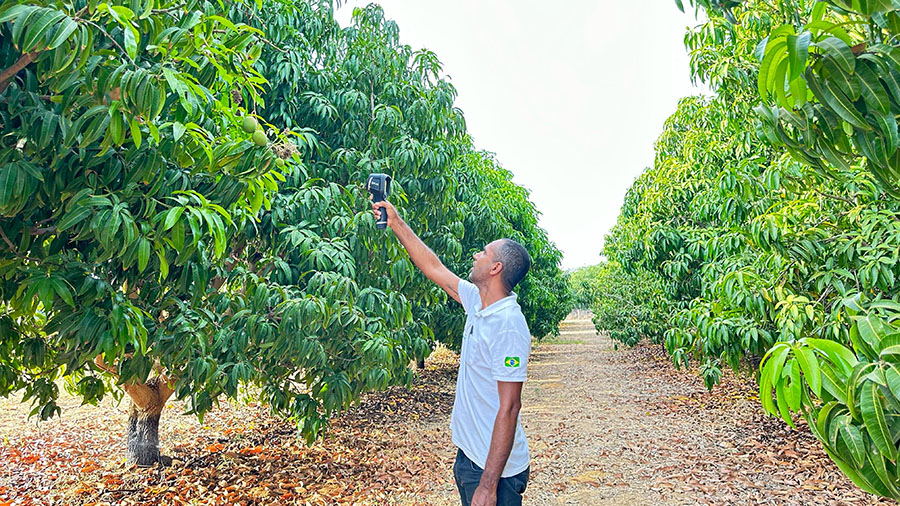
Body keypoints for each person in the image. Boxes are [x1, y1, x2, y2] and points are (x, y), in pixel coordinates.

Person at [372, 200, 532, 506]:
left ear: (495, 268)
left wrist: (488, 485)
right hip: (471, 457)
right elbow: (433, 267)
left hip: (495, 472)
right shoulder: (478, 302)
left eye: (483, 253)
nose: (476, 255)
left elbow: (509, 408)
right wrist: (396, 222)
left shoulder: (508, 325)